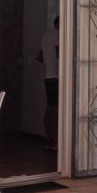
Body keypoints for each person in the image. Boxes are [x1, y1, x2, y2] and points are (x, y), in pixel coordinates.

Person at [37, 16, 59, 152]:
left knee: (50, 106)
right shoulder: (59, 34)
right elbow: (59, 53)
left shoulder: (46, 34)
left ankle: (48, 140)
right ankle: (56, 141)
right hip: (57, 76)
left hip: (47, 76)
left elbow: (40, 57)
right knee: (57, 109)